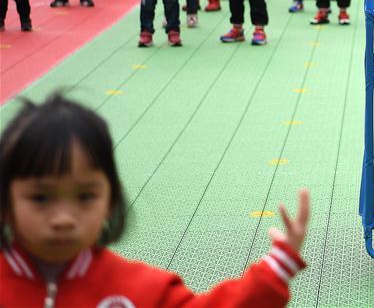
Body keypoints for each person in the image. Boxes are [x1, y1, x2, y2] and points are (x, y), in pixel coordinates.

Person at [0, 95, 310, 306]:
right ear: (5, 202)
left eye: (85, 197)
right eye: (41, 198)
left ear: (110, 201)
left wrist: (276, 269)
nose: (63, 218)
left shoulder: (141, 290)